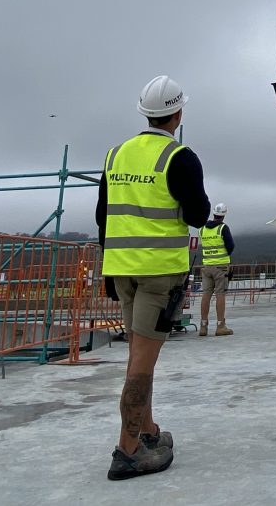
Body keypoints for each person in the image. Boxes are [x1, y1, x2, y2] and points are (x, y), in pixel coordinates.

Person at [96, 75, 211, 481]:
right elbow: (198, 214)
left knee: (137, 354)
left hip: (122, 269)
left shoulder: (116, 155)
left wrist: (107, 271)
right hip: (159, 274)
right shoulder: (179, 157)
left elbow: (102, 218)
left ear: (144, 111)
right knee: (141, 364)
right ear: (177, 114)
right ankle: (127, 450)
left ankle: (147, 431)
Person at [199, 202, 236, 337]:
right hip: (220, 267)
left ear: (213, 213)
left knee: (206, 295)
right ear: (223, 215)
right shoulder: (223, 228)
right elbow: (230, 246)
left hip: (206, 266)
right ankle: (220, 325)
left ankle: (203, 326)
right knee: (220, 295)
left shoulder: (202, 229)